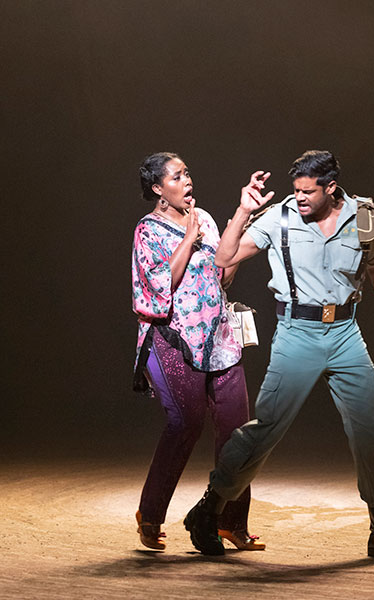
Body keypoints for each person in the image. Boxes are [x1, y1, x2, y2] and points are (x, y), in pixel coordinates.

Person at [183, 150, 374, 561]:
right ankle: (210, 509)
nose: (300, 198)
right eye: (296, 190)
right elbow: (223, 259)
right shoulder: (279, 217)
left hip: (346, 332)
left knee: (369, 425)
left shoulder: (363, 215)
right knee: (267, 426)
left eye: (309, 191)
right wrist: (243, 212)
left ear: (331, 187)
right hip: (298, 333)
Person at [131, 152, 264, 552]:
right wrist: (189, 238)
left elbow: (221, 276)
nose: (187, 180)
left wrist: (236, 229)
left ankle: (229, 521)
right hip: (173, 340)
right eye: (177, 175)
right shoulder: (147, 231)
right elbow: (157, 290)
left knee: (238, 432)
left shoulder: (204, 217)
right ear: (158, 188)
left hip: (219, 337)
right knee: (185, 425)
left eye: (187, 172)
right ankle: (150, 514)